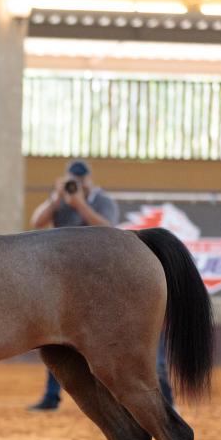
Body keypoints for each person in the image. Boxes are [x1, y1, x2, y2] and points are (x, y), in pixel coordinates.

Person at [26, 160, 173, 411]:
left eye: (81, 180)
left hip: (97, 279)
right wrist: (56, 199)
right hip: (68, 280)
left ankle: (165, 402)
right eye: (73, 179)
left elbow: (109, 231)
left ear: (90, 180)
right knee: (56, 339)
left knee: (131, 344)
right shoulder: (60, 200)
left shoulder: (101, 200)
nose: (78, 184)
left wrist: (80, 204)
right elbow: (36, 222)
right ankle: (52, 397)